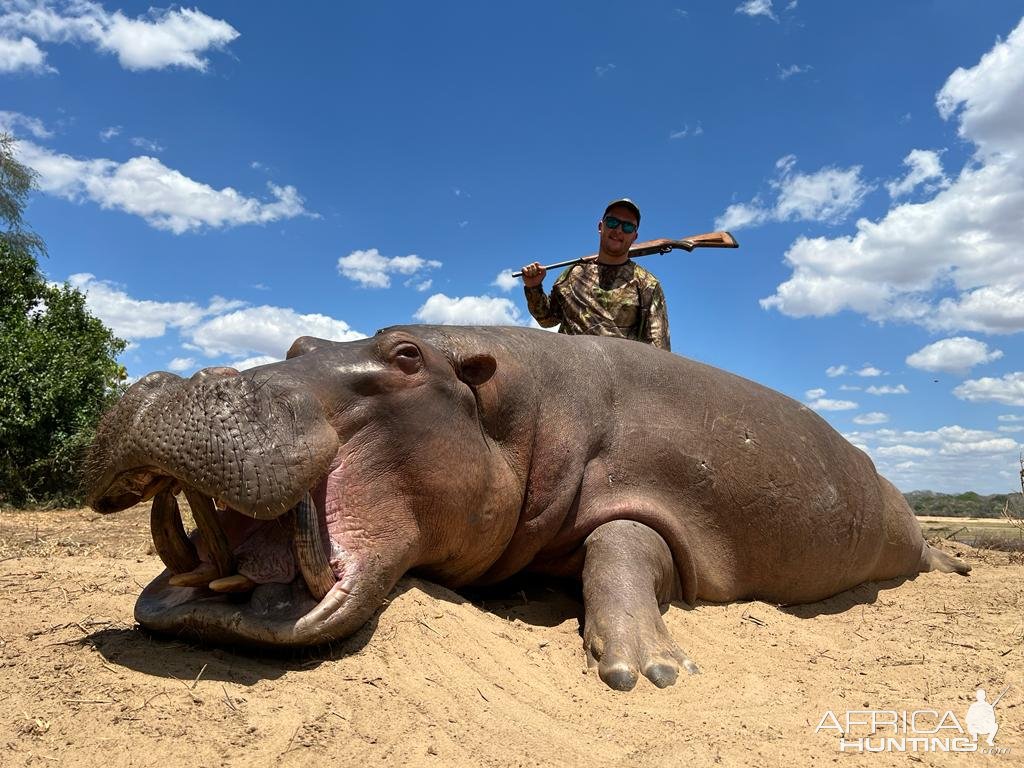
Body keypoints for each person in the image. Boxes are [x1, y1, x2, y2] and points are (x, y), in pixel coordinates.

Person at [520, 198, 670, 350]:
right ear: (600, 226)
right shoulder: (573, 274)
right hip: (566, 369)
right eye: (612, 222)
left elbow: (659, 350)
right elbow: (547, 320)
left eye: (628, 227)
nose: (618, 230)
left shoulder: (647, 284)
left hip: (620, 372)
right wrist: (534, 287)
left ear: (634, 237)